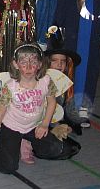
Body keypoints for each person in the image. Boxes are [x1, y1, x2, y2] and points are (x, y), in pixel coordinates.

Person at [0, 44, 64, 174]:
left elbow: (51, 102)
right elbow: (0, 113)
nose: (29, 67)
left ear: (40, 64)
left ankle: (27, 142)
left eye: (33, 62)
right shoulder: (10, 87)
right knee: (9, 166)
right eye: (23, 62)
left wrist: (44, 124)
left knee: (56, 148)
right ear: (15, 64)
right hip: (12, 127)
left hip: (33, 126)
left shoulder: (45, 81)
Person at [20, 26, 82, 164]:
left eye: (63, 61)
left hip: (48, 125)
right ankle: (26, 143)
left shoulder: (63, 84)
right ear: (47, 62)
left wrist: (63, 125)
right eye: (55, 61)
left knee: (73, 147)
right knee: (58, 148)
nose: (59, 65)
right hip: (31, 126)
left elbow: (62, 110)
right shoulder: (38, 82)